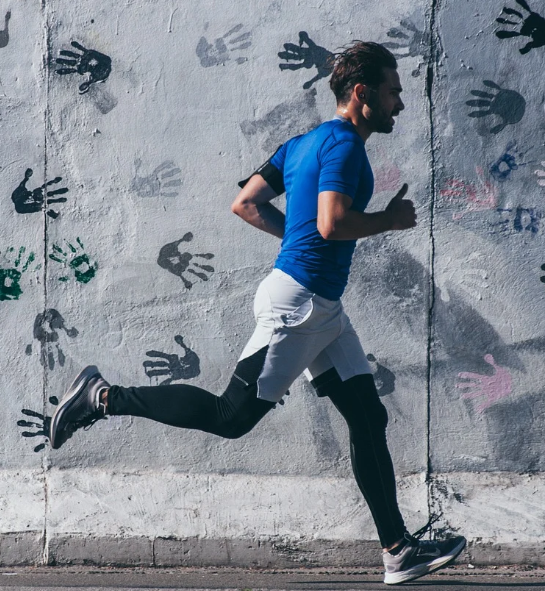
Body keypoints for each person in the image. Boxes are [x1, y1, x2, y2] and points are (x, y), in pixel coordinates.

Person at [48, 40, 466, 585]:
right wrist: (388, 220)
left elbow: (245, 202)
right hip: (299, 307)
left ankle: (397, 551)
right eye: (393, 93)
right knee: (231, 417)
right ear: (362, 93)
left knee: (368, 417)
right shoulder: (344, 147)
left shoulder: (300, 144)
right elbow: (331, 224)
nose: (400, 104)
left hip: (321, 309)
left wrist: (297, 240)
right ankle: (103, 397)